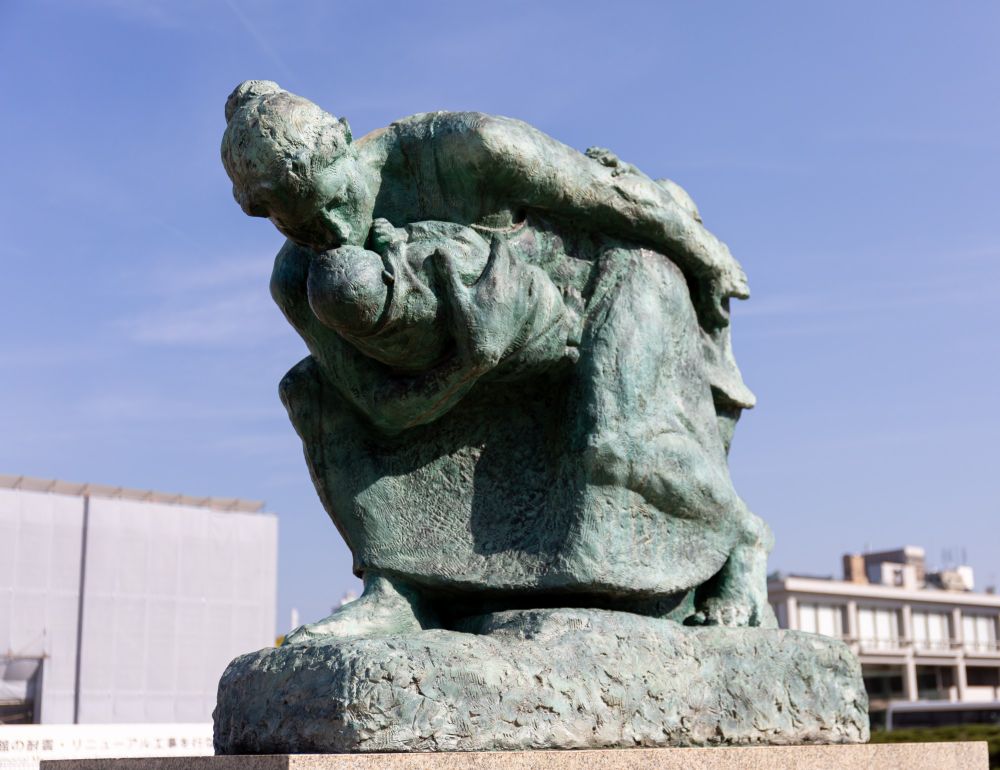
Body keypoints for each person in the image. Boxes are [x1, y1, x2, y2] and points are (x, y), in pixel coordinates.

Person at [221, 81, 774, 642]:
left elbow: (615, 198)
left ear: (342, 139)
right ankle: (399, 588)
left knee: (613, 447)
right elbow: (380, 411)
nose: (335, 231)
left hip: (608, 283)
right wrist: (467, 367)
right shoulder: (299, 277)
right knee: (314, 393)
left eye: (335, 200)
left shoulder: (464, 148)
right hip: (491, 352)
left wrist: (711, 261)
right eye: (305, 224)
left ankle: (741, 539)